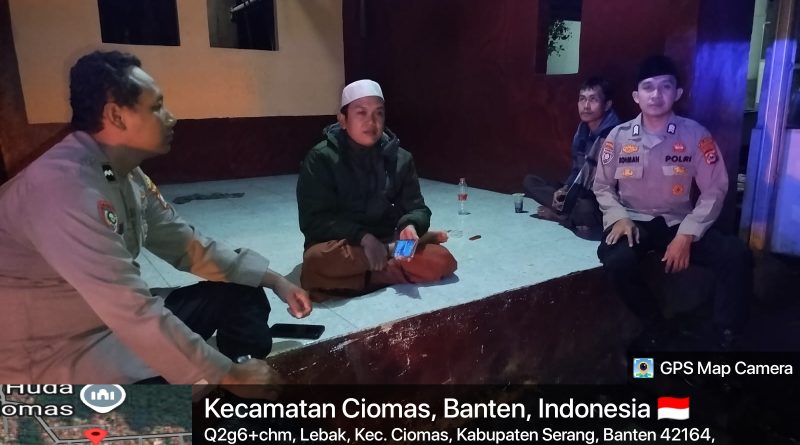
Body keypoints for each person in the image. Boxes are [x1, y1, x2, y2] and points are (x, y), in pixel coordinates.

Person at [0, 50, 312, 385]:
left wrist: (275, 280)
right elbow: (130, 309)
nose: (171, 117)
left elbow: (186, 244)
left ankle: (244, 375)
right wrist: (226, 374)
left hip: (108, 323)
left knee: (242, 289)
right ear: (116, 116)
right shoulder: (62, 189)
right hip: (58, 353)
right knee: (179, 395)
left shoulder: (117, 172)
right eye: (157, 107)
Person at [593, 55, 749, 350]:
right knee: (617, 262)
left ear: (677, 93)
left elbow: (715, 189)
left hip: (677, 221)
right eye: (648, 87)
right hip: (633, 221)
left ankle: (726, 336)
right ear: (636, 96)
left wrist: (687, 234)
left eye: (665, 86)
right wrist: (618, 217)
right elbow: (601, 185)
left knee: (735, 254)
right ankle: (656, 327)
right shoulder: (618, 137)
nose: (656, 94)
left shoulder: (695, 135)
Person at [296, 79, 457, 298]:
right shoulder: (321, 159)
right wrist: (363, 238)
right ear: (343, 120)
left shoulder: (401, 159)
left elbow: (417, 208)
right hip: (344, 245)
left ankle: (363, 275)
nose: (371, 122)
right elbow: (314, 221)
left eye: (378, 113)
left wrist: (410, 225)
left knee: (443, 260)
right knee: (317, 261)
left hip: (386, 237)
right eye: (361, 113)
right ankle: (392, 258)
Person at [523, 77, 621, 240]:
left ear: (607, 105)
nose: (586, 106)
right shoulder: (582, 130)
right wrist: (565, 190)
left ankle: (561, 216)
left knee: (585, 210)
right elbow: (577, 170)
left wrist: (570, 196)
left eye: (593, 100)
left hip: (600, 200)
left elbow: (606, 185)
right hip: (579, 191)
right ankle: (567, 212)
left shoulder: (615, 134)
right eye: (582, 99)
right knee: (531, 181)